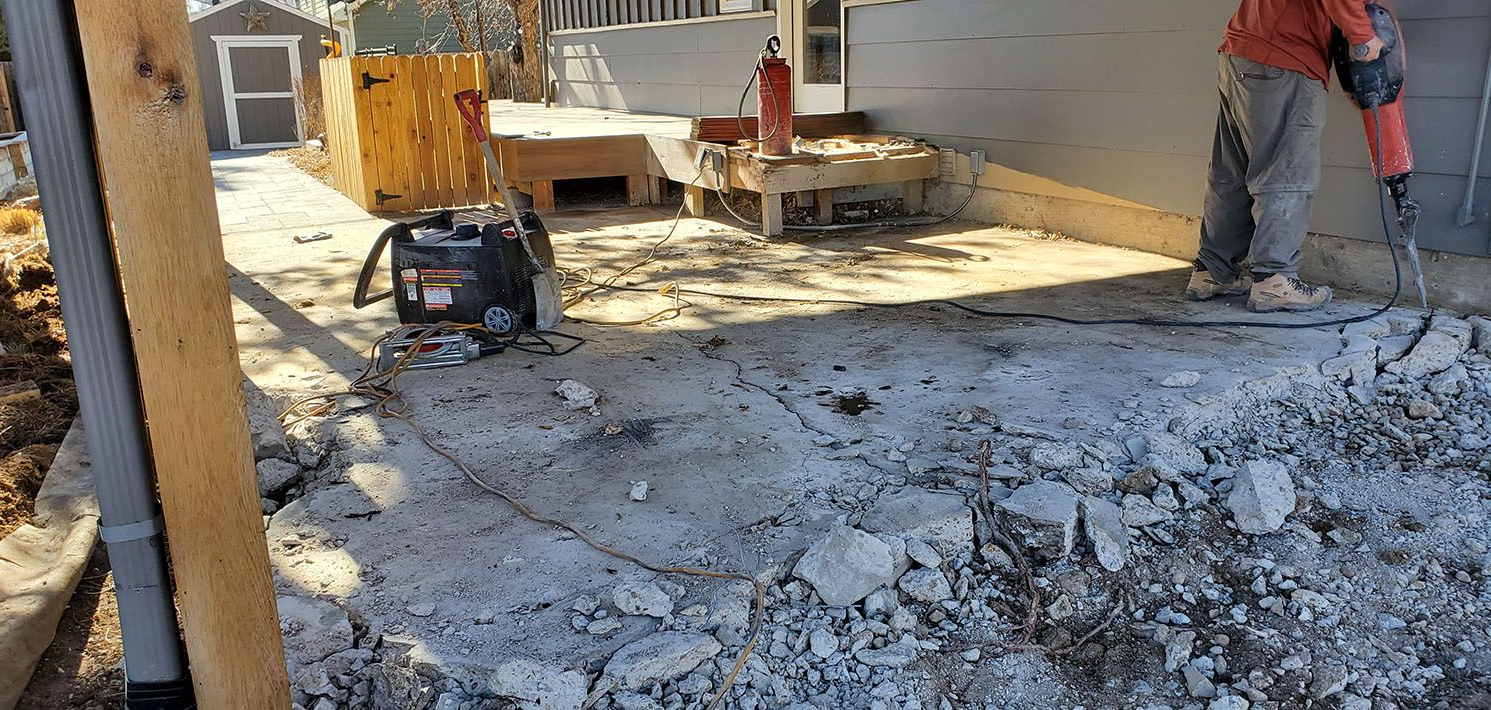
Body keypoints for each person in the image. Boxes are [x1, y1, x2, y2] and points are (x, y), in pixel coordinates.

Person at [1186, 0, 1384, 312]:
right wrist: (1363, 36)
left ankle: (1212, 272)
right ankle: (1274, 280)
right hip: (1284, 60)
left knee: (1232, 172)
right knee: (1287, 171)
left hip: (1243, 54)